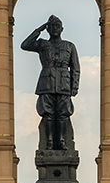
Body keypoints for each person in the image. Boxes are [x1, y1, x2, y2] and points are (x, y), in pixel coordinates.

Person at [21, 15, 80, 150]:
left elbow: (75, 68)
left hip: (64, 84)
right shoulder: (42, 44)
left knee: (63, 114)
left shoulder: (69, 46)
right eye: (51, 26)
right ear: (48, 29)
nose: (55, 29)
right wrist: (39, 29)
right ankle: (49, 142)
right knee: (47, 113)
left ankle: (61, 141)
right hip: (46, 83)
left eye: (57, 26)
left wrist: (74, 86)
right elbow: (25, 45)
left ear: (62, 29)